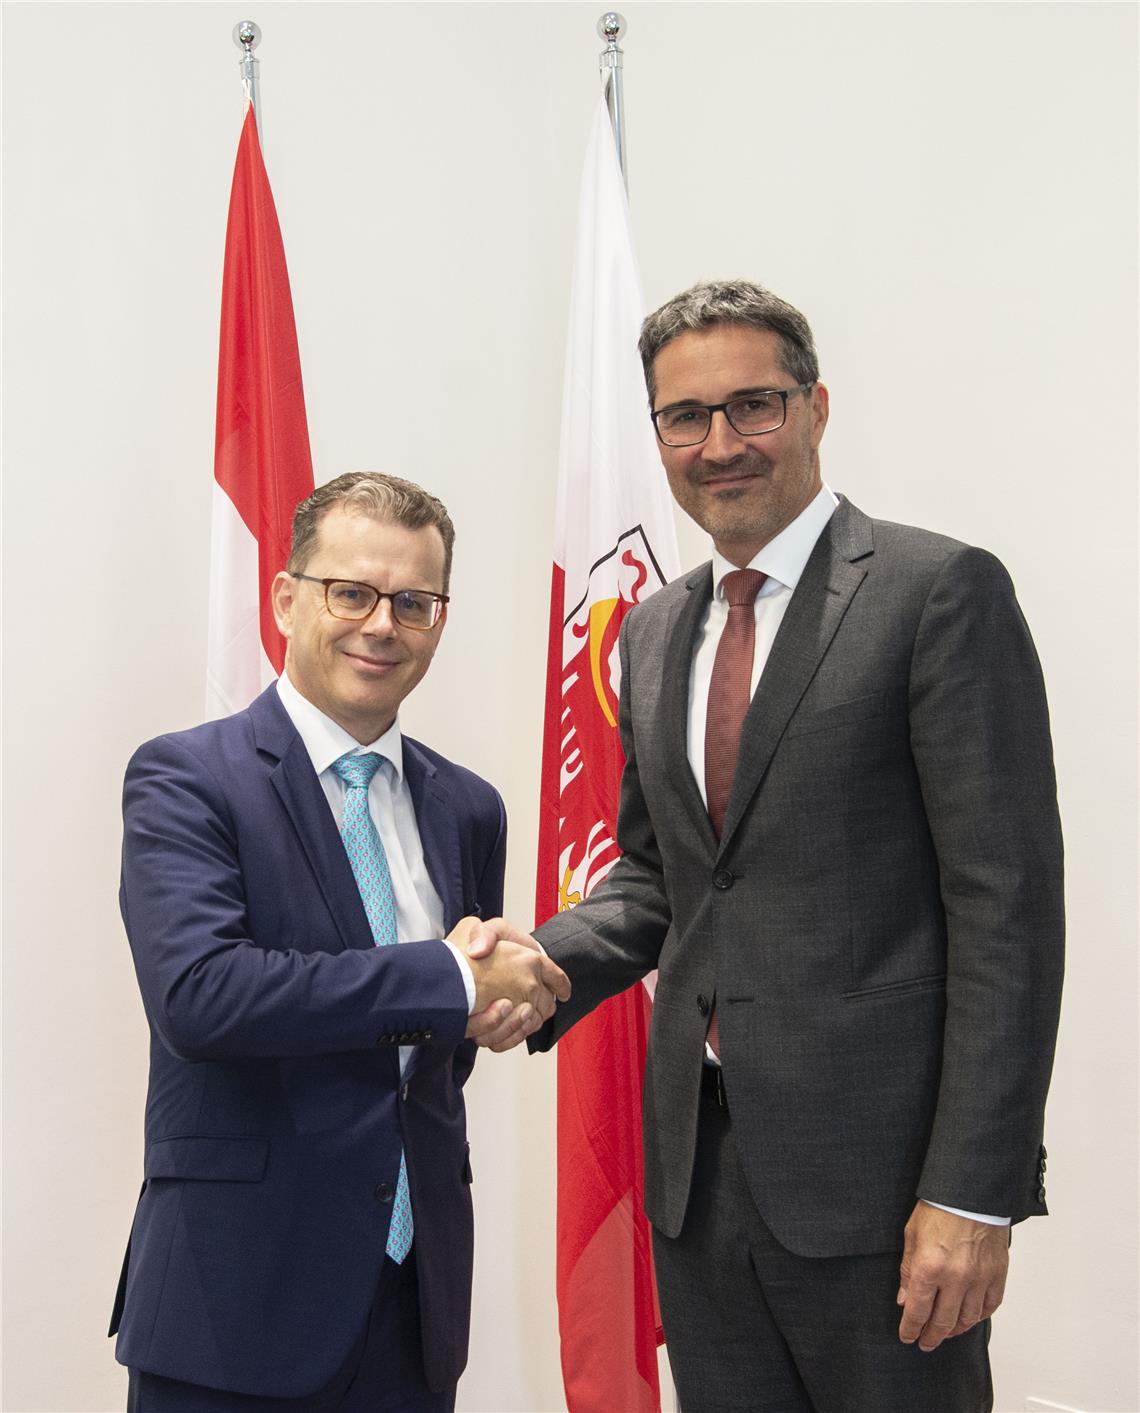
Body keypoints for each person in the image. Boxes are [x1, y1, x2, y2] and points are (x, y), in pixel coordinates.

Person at [488, 281, 1064, 1410]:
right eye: (685, 417)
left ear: (816, 407)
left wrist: (974, 1191)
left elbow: (1008, 915)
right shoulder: (654, 629)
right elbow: (661, 877)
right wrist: (540, 962)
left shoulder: (936, 592)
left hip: (887, 1193)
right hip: (698, 1187)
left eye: (752, 405)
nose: (720, 444)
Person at [110, 472, 569, 1412]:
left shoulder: (469, 806)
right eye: (351, 592)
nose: (382, 625)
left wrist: (485, 1006)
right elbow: (203, 997)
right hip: (234, 1306)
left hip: (412, 1306)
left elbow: (438, 1043)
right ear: (287, 599)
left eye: (414, 602)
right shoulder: (187, 778)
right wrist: (448, 978)